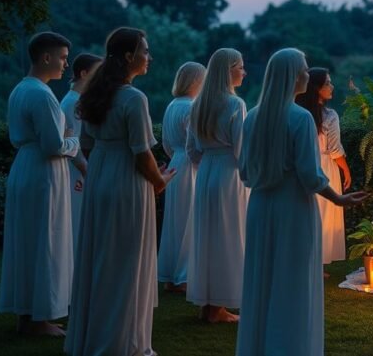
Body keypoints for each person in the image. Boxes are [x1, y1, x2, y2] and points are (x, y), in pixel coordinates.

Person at [236, 48, 368, 356]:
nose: (308, 76)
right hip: (294, 207)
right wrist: (338, 198)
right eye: (305, 71)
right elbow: (311, 175)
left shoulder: (252, 117)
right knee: (293, 281)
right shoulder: (299, 118)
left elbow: (244, 172)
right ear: (293, 76)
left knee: (263, 278)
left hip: (260, 207)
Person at [66, 28, 175, 355]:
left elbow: (85, 144)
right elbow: (142, 153)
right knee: (127, 263)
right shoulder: (133, 98)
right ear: (129, 56)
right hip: (127, 181)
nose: (149, 57)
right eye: (145, 50)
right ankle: (122, 343)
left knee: (100, 259)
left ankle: (95, 337)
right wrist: (160, 181)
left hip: (101, 175)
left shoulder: (95, 93)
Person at [0, 32, 80, 337]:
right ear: (46, 57)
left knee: (27, 241)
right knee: (46, 239)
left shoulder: (21, 89)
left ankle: (28, 313)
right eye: (61, 57)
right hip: (43, 173)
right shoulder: (42, 95)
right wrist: (75, 140)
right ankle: (39, 317)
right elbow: (53, 146)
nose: (65, 64)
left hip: (25, 168)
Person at [187, 48, 249, 323]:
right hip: (228, 175)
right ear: (229, 71)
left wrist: (209, 160)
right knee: (228, 237)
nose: (244, 72)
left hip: (207, 174)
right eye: (240, 67)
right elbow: (241, 151)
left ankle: (208, 303)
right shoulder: (235, 105)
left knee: (207, 237)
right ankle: (218, 307)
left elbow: (192, 151)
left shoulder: (198, 104)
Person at [295, 68, 352, 275]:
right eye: (328, 83)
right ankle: (317, 262)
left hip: (302, 165)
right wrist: (346, 171)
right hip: (325, 166)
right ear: (317, 88)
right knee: (324, 215)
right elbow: (335, 149)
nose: (332, 86)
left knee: (307, 213)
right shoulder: (329, 115)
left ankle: (304, 259)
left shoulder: (297, 112)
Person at [157, 61, 206, 292]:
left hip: (175, 163)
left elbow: (166, 143)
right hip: (190, 165)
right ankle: (184, 276)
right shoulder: (193, 108)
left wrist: (176, 156)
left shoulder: (171, 106)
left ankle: (169, 275)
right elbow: (195, 143)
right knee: (190, 221)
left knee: (174, 222)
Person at [59, 53, 102, 258]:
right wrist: (88, 171)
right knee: (76, 220)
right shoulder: (73, 104)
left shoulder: (77, 102)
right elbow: (73, 144)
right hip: (76, 173)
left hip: (80, 169)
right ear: (84, 73)